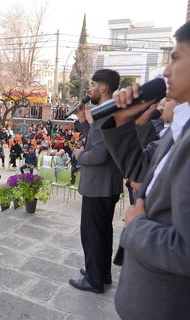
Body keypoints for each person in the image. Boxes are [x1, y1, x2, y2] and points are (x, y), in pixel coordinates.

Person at [100, 14, 190, 319]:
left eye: (175, 58)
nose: (166, 71)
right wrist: (123, 119)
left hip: (164, 307)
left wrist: (136, 225)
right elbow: (140, 171)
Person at [69, 69, 123, 294]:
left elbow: (98, 155)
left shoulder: (104, 114)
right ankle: (102, 272)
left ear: (102, 88)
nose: (89, 90)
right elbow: (97, 139)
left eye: (92, 85)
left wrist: (79, 155)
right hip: (108, 185)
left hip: (98, 186)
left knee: (91, 234)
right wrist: (82, 121)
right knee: (103, 231)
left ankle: (94, 280)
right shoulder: (109, 111)